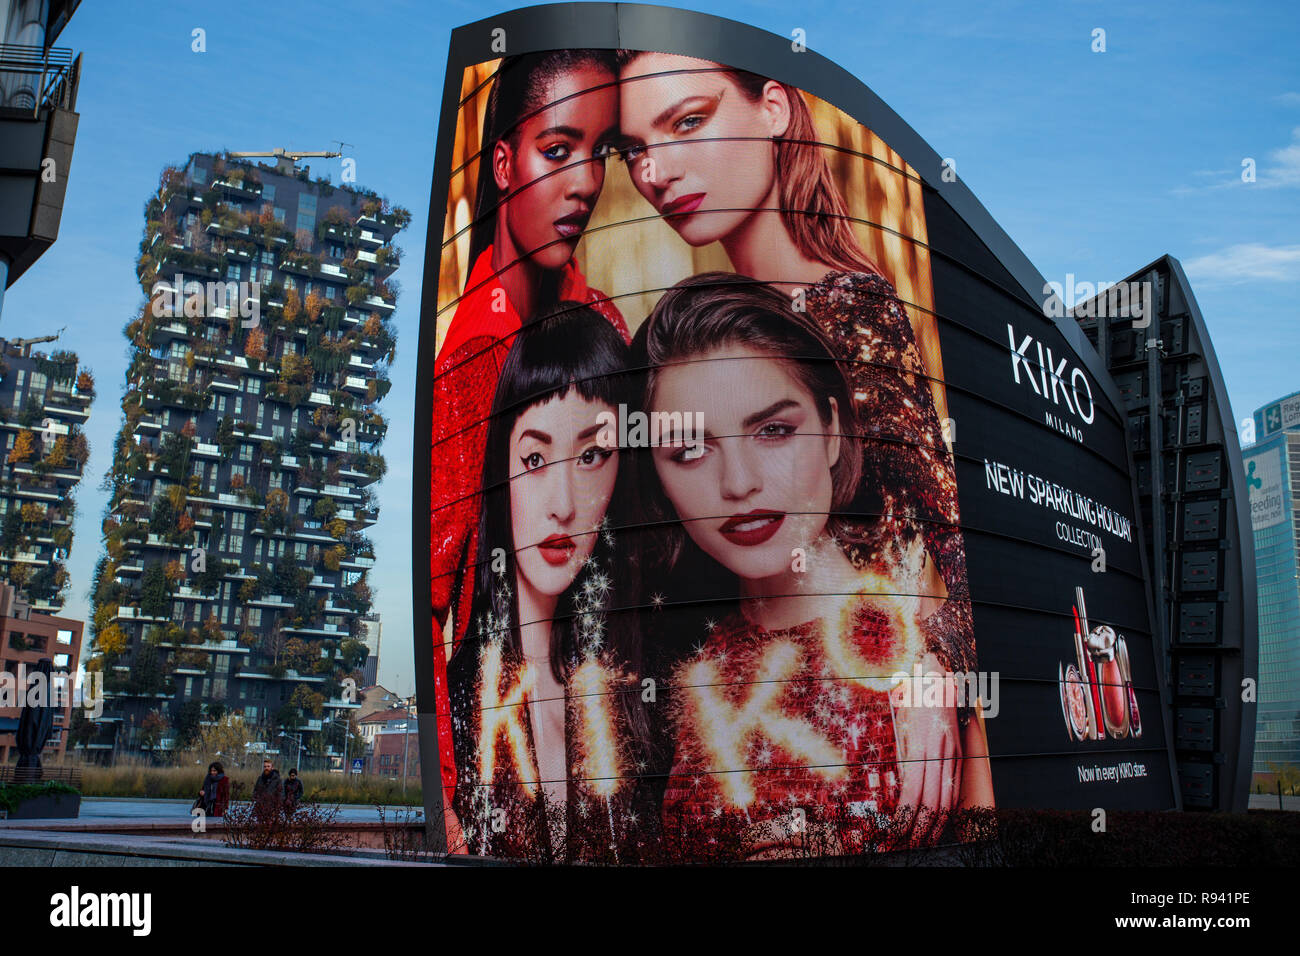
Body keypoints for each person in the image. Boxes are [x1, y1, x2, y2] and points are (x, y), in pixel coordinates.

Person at [616, 53, 975, 679]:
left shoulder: (851, 310)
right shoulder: (694, 336)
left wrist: (931, 661)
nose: (656, 171)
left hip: (862, 702)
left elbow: (946, 531)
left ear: (774, 108)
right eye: (633, 149)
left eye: (690, 122)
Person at [628, 275, 993, 853]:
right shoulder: (667, 671)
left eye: (774, 430)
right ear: (656, 473)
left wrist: (936, 659)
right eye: (690, 449)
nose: (740, 483)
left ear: (831, 430)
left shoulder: (933, 680)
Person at [431, 50, 631, 817]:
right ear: (506, 162)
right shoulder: (473, 361)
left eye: (600, 152)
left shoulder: (608, 323)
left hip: (612, 743)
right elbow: (432, 601)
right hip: (510, 751)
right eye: (558, 150)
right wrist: (448, 803)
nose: (584, 182)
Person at [447, 304, 646, 859]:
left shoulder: (634, 691)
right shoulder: (461, 697)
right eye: (534, 459)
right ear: (500, 471)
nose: (562, 505)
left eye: (592, 456)